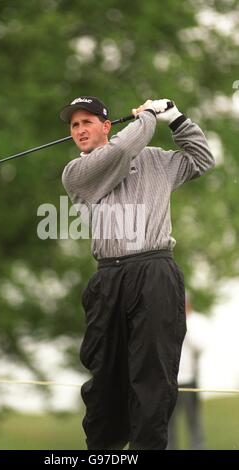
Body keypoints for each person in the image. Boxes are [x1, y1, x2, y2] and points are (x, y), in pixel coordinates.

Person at [60, 95, 215, 450]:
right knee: (105, 385)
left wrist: (175, 118)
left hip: (155, 271)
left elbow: (202, 159)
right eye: (74, 125)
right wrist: (147, 116)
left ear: (106, 125)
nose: (80, 130)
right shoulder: (76, 174)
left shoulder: (155, 161)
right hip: (109, 279)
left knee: (152, 380)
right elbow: (119, 152)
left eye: (87, 122)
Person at [167, 293, 210, 450]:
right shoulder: (167, 321)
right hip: (170, 381)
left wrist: (184, 325)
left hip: (190, 379)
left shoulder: (197, 321)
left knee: (194, 421)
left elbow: (200, 347)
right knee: (169, 425)